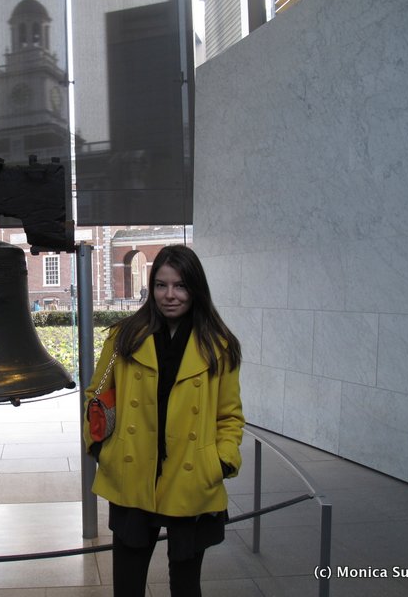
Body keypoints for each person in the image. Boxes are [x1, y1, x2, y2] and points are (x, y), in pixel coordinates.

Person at [83, 244, 244, 597]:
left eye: (180, 285)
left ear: (196, 289)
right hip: (132, 474)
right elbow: (95, 395)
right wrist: (100, 447)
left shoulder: (219, 347)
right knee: (128, 585)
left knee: (186, 586)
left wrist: (219, 462)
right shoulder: (124, 337)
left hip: (191, 477)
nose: (170, 295)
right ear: (151, 287)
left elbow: (229, 416)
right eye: (161, 285)